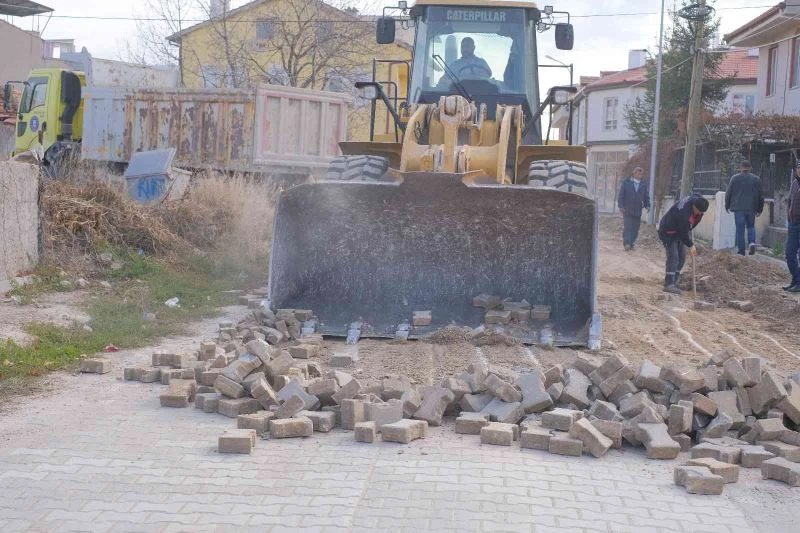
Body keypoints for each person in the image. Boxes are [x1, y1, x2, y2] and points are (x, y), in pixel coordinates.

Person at [658, 194, 709, 294]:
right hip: (668, 231)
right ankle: (669, 284)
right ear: (694, 206)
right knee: (674, 257)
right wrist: (691, 245)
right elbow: (683, 232)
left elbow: (697, 195)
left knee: (681, 257)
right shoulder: (683, 214)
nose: (700, 213)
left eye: (702, 212)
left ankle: (675, 280)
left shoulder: (697, 200)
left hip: (679, 231)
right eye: (698, 211)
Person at [725, 160, 764, 256]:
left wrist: (727, 205)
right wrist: (760, 209)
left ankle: (741, 252)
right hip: (751, 208)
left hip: (738, 209)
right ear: (750, 168)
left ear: (741, 168)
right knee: (751, 226)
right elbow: (761, 196)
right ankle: (751, 243)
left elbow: (728, 193)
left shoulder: (734, 178)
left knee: (740, 230)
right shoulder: (756, 179)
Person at [617, 167, 651, 251]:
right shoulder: (626, 182)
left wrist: (647, 205)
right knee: (628, 227)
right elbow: (621, 195)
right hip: (627, 209)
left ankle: (631, 243)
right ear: (634, 173)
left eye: (641, 174)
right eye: (639, 173)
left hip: (637, 210)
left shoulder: (643, 184)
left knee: (635, 228)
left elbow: (646, 196)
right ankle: (627, 243)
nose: (640, 175)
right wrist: (621, 206)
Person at [785, 161, 800, 293]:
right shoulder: (795, 183)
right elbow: (789, 201)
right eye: (798, 168)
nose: (799, 170)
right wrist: (788, 217)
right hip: (793, 224)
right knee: (789, 253)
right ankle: (795, 280)